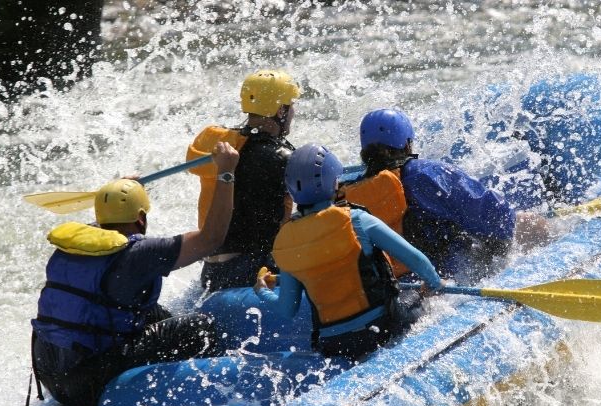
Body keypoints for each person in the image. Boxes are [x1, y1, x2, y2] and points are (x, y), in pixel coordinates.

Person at [28, 142, 239, 406]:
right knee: (199, 326)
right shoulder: (139, 255)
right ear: (141, 219)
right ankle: (205, 399)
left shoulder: (74, 242)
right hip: (87, 385)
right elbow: (211, 239)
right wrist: (226, 173)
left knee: (153, 312)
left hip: (51, 373)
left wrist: (121, 193)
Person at [254, 144, 442, 360]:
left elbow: (288, 308)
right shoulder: (356, 220)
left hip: (333, 344)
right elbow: (416, 260)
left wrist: (262, 290)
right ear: (330, 182)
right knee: (421, 296)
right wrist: (435, 285)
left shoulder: (285, 240)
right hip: (381, 328)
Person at [338, 108, 531, 281]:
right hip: (443, 278)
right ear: (407, 144)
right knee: (526, 222)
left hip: (392, 286)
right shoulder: (426, 174)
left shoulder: (349, 193)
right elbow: (497, 219)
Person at [186, 69, 300, 292]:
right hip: (251, 270)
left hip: (211, 272)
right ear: (281, 110)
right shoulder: (281, 158)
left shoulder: (225, 144)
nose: (294, 112)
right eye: (291, 105)